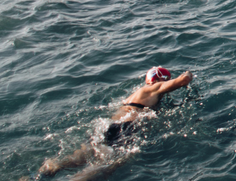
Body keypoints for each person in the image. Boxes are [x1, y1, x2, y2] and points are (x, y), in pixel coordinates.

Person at [35, 67, 193, 180]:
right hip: (124, 128)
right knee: (106, 165)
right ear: (160, 79)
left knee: (80, 156)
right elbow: (183, 80)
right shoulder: (153, 89)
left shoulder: (137, 94)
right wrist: (188, 72)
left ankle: (39, 175)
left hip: (110, 125)